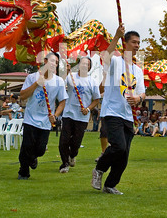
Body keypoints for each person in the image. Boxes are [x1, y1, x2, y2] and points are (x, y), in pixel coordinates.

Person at [91, 24, 146, 195]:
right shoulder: (115, 62)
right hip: (112, 112)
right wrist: (116, 36)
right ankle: (99, 169)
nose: (137, 45)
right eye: (134, 42)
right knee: (119, 147)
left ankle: (110, 185)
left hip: (127, 115)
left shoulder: (138, 70)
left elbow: (143, 92)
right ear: (125, 43)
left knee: (124, 155)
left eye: (139, 43)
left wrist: (138, 99)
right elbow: (105, 56)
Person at [18, 52, 68, 180]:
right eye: (52, 61)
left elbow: (62, 102)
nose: (54, 64)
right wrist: (36, 84)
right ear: (45, 61)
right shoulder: (32, 77)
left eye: (56, 63)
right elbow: (23, 95)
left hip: (45, 121)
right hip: (30, 118)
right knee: (27, 146)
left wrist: (55, 115)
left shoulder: (58, 81)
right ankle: (23, 172)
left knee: (40, 149)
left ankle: (33, 158)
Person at [59, 56, 101, 173]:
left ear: (89, 67)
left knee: (76, 142)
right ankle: (64, 163)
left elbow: (96, 99)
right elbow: (60, 83)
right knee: (64, 140)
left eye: (86, 64)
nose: (84, 65)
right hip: (68, 113)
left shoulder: (92, 81)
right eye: (82, 63)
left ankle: (72, 155)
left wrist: (88, 109)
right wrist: (66, 71)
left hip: (82, 116)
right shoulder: (71, 76)